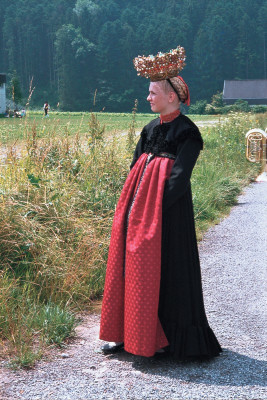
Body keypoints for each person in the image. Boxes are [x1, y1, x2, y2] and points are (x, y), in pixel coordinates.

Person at [99, 46, 222, 360]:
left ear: (172, 96)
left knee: (171, 273)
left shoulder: (188, 132)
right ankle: (129, 334)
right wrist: (131, 211)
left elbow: (179, 178)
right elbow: (134, 169)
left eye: (153, 93)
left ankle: (169, 340)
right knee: (132, 270)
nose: (149, 98)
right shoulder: (149, 129)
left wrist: (153, 211)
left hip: (170, 214)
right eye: (149, 92)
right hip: (138, 214)